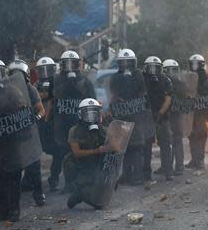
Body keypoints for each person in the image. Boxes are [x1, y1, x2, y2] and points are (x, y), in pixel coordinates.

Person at [0, 58, 42, 222]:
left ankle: (14, 211)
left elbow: (23, 110)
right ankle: (2, 211)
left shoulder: (13, 90)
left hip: (12, 140)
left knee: (13, 175)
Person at [48, 50, 96, 192]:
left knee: (77, 155)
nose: (69, 66)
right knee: (60, 155)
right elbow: (50, 98)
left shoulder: (84, 81)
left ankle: (75, 183)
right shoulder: (55, 80)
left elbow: (91, 100)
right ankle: (54, 180)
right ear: (62, 65)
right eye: (66, 64)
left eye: (72, 63)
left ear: (77, 64)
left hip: (78, 125)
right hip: (61, 124)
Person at [8, 59, 46, 206]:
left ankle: (39, 194)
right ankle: (13, 201)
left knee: (34, 165)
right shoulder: (7, 90)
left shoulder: (30, 89)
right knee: (15, 168)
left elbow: (41, 109)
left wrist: (36, 118)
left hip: (29, 132)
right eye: (14, 74)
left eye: (20, 74)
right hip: (13, 133)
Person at [110, 49, 150, 186]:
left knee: (137, 147)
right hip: (122, 115)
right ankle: (126, 174)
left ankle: (138, 175)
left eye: (129, 62)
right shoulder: (115, 77)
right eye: (124, 62)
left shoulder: (139, 75)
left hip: (137, 116)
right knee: (124, 147)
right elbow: (114, 93)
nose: (126, 65)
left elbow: (143, 93)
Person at [66, 98, 110, 209]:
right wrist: (96, 151)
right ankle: (79, 194)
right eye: (88, 113)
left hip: (97, 166)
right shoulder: (74, 131)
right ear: (81, 114)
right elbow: (77, 153)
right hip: (81, 167)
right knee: (97, 203)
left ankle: (89, 190)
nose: (91, 116)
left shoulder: (103, 130)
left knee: (104, 189)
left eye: (94, 112)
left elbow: (114, 146)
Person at [142, 56, 174, 181]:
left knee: (165, 144)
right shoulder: (143, 80)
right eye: (151, 67)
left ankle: (168, 171)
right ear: (146, 68)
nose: (154, 70)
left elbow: (168, 99)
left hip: (161, 117)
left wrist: (160, 113)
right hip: (148, 116)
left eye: (156, 67)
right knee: (147, 146)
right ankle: (146, 173)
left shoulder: (165, 80)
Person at [186, 54, 208, 170]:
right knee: (192, 136)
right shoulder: (188, 78)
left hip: (200, 114)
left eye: (196, 64)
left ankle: (200, 161)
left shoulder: (206, 80)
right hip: (190, 113)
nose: (194, 66)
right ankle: (194, 160)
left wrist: (200, 101)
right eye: (192, 64)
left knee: (200, 136)